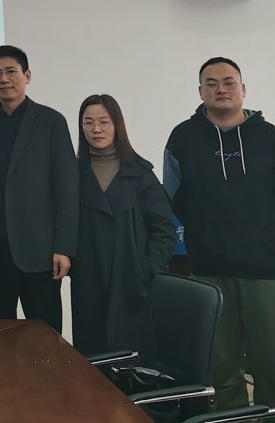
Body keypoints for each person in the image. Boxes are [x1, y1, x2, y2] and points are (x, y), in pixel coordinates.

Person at [163, 57, 275, 411]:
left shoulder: (270, 136)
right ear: (200, 92)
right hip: (209, 269)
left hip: (265, 270)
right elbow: (173, 196)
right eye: (211, 83)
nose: (220, 89)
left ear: (243, 89)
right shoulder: (182, 138)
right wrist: (208, 231)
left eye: (228, 82)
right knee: (220, 365)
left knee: (273, 363)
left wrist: (259, 231)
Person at [0, 45, 78, 331]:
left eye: (11, 71)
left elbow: (66, 188)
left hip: (39, 254)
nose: (4, 79)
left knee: (46, 339)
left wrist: (64, 247)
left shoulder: (51, 122)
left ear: (27, 75)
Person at [70, 93, 176, 355]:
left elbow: (164, 230)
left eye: (104, 122)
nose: (96, 129)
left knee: (131, 359)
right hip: (88, 282)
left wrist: (146, 270)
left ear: (118, 124)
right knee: (91, 359)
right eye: (88, 123)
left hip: (131, 283)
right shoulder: (72, 173)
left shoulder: (140, 173)